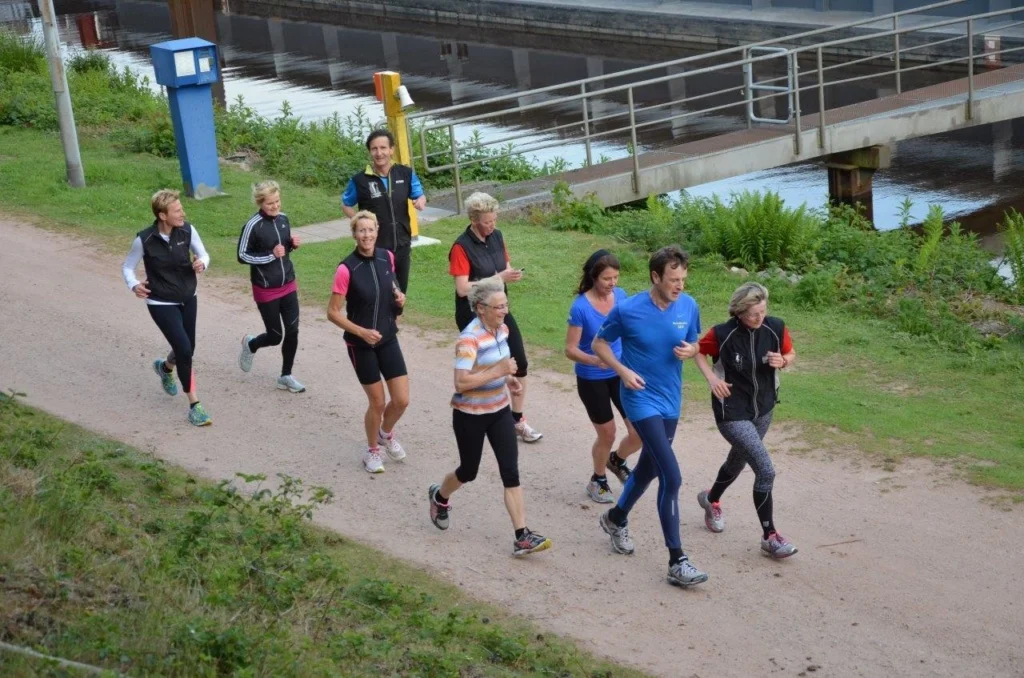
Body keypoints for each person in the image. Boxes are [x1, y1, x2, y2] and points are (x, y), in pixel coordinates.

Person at [592, 245, 709, 588]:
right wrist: (621, 371)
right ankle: (677, 560)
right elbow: (600, 344)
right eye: (673, 279)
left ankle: (615, 518)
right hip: (639, 398)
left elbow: (695, 342)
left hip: (671, 399)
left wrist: (693, 349)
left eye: (683, 279)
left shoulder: (688, 306)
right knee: (671, 477)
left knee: (648, 468)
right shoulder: (628, 310)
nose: (680, 286)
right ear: (655, 277)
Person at [427, 278, 552, 557]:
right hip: (470, 415)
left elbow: (496, 365)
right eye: (498, 307)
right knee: (468, 471)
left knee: (511, 471)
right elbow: (461, 382)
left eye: (506, 305)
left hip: (499, 411)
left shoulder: (502, 330)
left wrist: (509, 380)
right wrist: (499, 372)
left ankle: (522, 536)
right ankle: (440, 496)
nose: (504, 311)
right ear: (480, 308)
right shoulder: (468, 339)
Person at [692, 282, 798, 559]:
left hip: (763, 409)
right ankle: (770, 537)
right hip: (732, 412)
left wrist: (784, 361)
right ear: (739, 312)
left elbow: (791, 353)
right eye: (753, 314)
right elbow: (697, 351)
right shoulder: (722, 334)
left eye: (762, 311)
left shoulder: (775, 327)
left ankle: (710, 498)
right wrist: (712, 379)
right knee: (765, 470)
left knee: (737, 461)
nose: (759, 318)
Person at [448, 191, 542, 444]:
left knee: (519, 361)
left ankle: (517, 419)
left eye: (494, 220)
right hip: (474, 313)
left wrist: (511, 274)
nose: (492, 225)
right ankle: (480, 418)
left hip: (500, 309)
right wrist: (499, 278)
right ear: (474, 219)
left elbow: (505, 267)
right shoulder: (460, 247)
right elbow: (462, 288)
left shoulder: (497, 236)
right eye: (487, 221)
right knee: (487, 366)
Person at [326, 211, 410, 473]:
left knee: (402, 400)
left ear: (377, 230)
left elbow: (391, 286)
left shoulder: (388, 257)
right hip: (360, 344)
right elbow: (333, 312)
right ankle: (372, 450)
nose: (367, 235)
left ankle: (385, 433)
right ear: (354, 234)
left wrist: (399, 298)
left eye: (370, 230)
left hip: (387, 337)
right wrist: (362, 332)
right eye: (361, 231)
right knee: (377, 402)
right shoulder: (346, 268)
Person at [121, 189, 212, 427]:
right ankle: (195, 405)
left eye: (181, 209)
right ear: (162, 215)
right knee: (184, 349)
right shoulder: (144, 240)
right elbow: (128, 267)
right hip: (160, 301)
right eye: (177, 210)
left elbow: (203, 254)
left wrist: (202, 263)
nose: (183, 213)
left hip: (188, 297)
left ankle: (165, 368)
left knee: (188, 347)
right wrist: (133, 285)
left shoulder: (188, 230)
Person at [565, 249, 641, 504]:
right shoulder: (580, 307)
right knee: (607, 433)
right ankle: (597, 479)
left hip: (620, 372)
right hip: (592, 378)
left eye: (616, 277)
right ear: (594, 277)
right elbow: (570, 349)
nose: (613, 284)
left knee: (639, 431)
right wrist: (593, 359)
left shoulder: (621, 297)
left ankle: (616, 460)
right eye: (607, 278)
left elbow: (630, 330)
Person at [236, 180, 305, 393]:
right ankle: (251, 344)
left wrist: (291, 245)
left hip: (288, 283)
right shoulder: (252, 225)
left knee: (293, 330)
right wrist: (270, 255)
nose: (275, 206)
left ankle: (286, 376)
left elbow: (283, 250)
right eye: (270, 203)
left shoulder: (284, 219)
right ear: (260, 203)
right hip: (266, 289)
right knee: (275, 336)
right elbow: (242, 255)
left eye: (277, 201)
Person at [341, 129, 427, 294]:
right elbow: (346, 204)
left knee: (400, 294)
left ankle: (394, 319)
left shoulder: (405, 173)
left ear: (391, 149)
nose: (379, 153)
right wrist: (359, 220)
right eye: (374, 149)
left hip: (402, 245)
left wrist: (421, 200)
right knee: (383, 293)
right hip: (376, 246)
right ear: (369, 151)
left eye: (383, 148)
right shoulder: (359, 180)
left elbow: (419, 194)